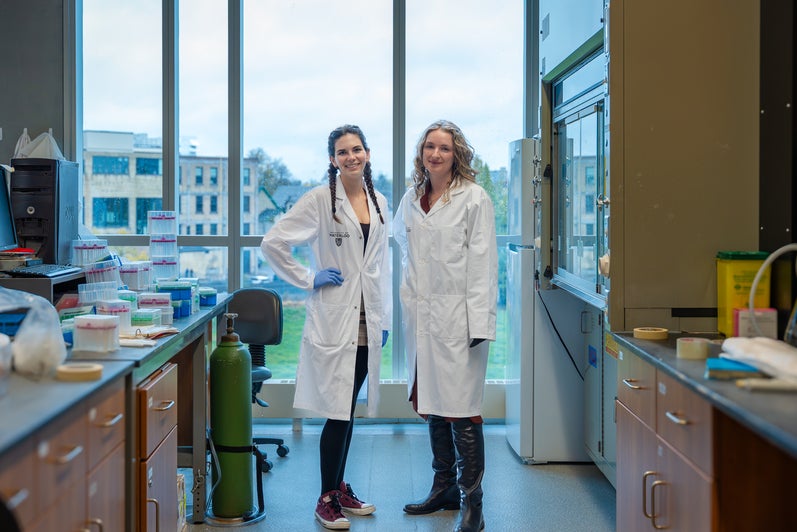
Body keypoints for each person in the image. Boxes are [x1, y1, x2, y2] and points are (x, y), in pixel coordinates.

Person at [261, 124, 391, 530]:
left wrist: (383, 317)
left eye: (356, 149)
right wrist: (308, 276)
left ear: (367, 153)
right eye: (341, 152)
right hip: (337, 318)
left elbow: (382, 266)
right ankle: (326, 498)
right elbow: (273, 242)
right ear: (332, 160)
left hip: (369, 318)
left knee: (346, 408)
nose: (350, 157)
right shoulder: (321, 200)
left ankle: (339, 487)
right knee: (338, 412)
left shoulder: (379, 200)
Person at [392, 120, 497, 532]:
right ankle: (444, 489)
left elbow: (484, 264)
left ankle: (475, 504)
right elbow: (404, 253)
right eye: (429, 147)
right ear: (421, 153)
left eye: (445, 148)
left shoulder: (475, 199)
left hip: (460, 320)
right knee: (433, 402)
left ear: (458, 155)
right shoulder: (412, 198)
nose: (435, 154)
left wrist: (480, 321)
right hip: (423, 318)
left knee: (462, 410)